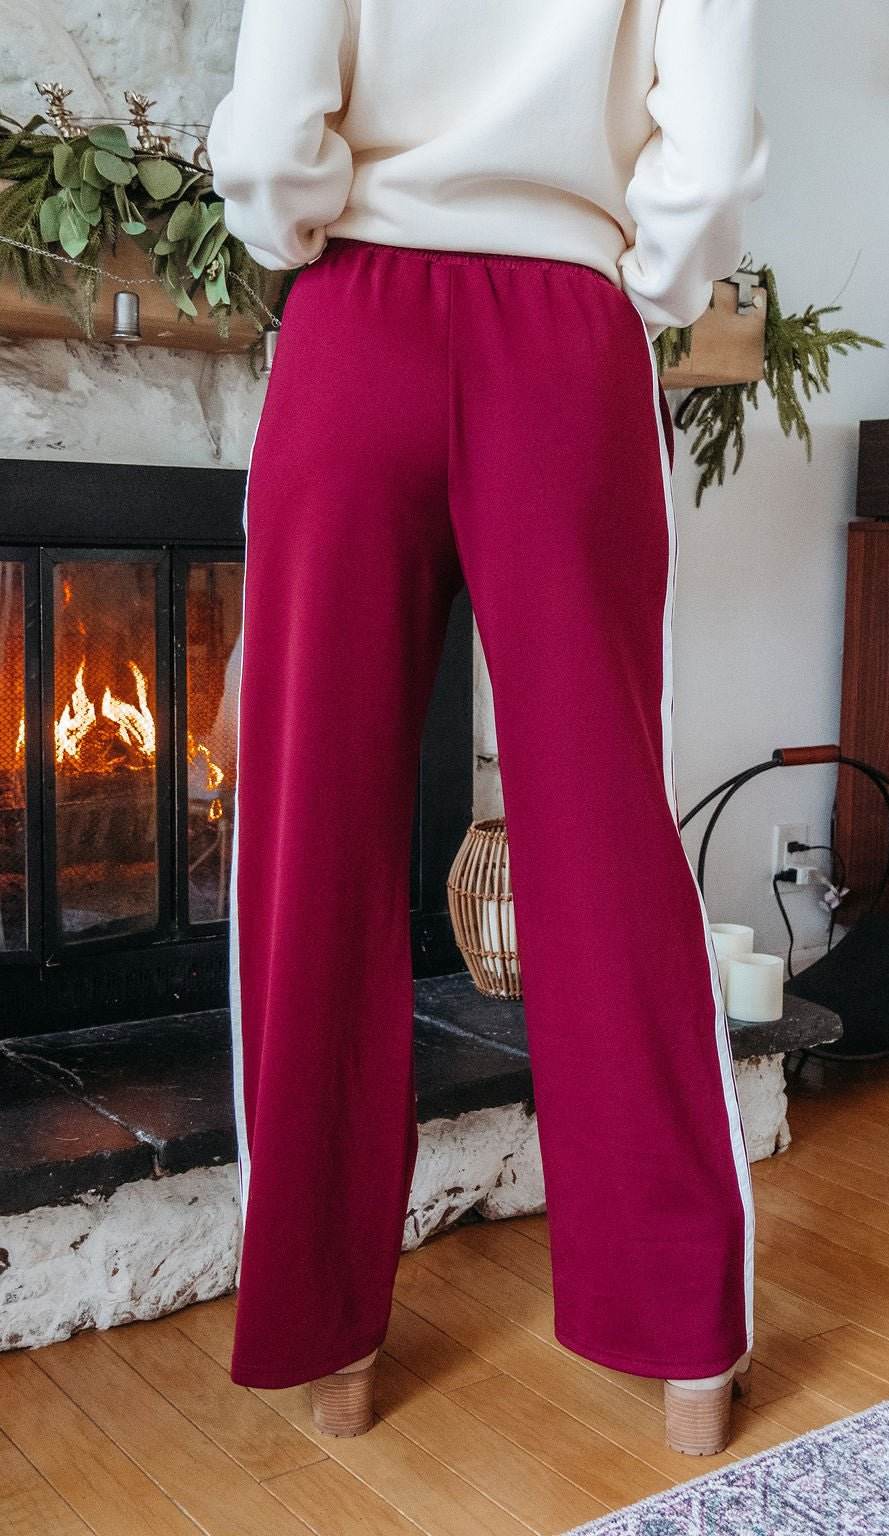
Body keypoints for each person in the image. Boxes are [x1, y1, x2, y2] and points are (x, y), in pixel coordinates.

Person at [207, 0, 769, 1456]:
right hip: (567, 342)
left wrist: (299, 229)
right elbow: (709, 155)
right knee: (606, 839)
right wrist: (631, 287)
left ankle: (327, 1343)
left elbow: (272, 135)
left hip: (355, 323)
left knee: (311, 841)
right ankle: (685, 1348)